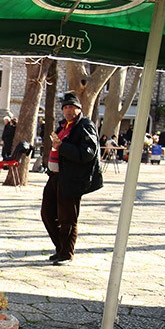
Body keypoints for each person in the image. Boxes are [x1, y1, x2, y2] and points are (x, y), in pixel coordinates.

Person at [40, 92, 102, 266]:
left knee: (67, 218)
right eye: (65, 107)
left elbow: (88, 153)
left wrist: (63, 147)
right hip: (55, 176)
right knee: (47, 213)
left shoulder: (84, 126)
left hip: (71, 179)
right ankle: (60, 247)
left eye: (71, 107)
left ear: (79, 109)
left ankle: (67, 253)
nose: (68, 110)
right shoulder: (63, 126)